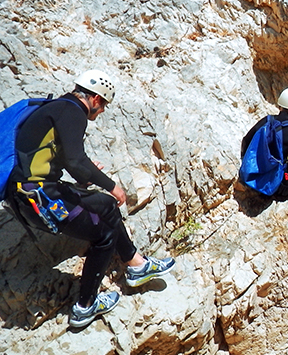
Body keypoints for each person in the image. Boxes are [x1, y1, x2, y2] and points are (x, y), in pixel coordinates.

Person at [6, 70, 175, 328]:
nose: (103, 111)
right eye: (104, 105)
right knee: (104, 234)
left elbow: (55, 158)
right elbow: (76, 161)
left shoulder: (58, 107)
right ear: (95, 99)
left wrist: (84, 177)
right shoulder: (73, 112)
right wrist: (112, 186)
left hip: (31, 194)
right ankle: (85, 306)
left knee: (105, 206)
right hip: (39, 199)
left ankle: (137, 264)